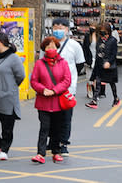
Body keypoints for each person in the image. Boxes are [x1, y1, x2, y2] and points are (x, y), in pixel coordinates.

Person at [30, 37, 72, 164]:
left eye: (53, 47)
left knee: (56, 128)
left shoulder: (63, 63)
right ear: (44, 49)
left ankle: (56, 151)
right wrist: (43, 90)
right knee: (44, 127)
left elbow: (67, 80)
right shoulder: (39, 64)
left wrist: (54, 90)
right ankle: (40, 153)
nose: (51, 49)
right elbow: (34, 81)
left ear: (57, 48)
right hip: (43, 101)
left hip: (58, 101)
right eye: (48, 47)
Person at [0, 32, 26, 160]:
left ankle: (4, 149)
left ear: (0, 43)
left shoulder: (14, 58)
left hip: (7, 98)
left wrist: (10, 86)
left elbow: (21, 76)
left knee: (7, 127)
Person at [51, 18, 85, 154]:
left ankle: (63, 142)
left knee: (65, 117)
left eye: (61, 27)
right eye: (55, 27)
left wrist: (69, 76)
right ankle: (52, 141)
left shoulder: (74, 45)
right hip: (50, 88)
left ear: (67, 29)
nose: (58, 30)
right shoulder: (49, 43)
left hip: (68, 88)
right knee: (51, 117)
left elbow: (80, 64)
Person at [86, 23, 119, 108]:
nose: (102, 34)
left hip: (109, 65)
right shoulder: (99, 40)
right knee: (98, 81)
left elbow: (114, 54)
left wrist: (109, 62)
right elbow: (98, 51)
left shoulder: (113, 40)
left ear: (108, 32)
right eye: (100, 32)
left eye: (103, 32)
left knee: (111, 83)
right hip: (100, 64)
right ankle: (94, 100)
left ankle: (116, 98)